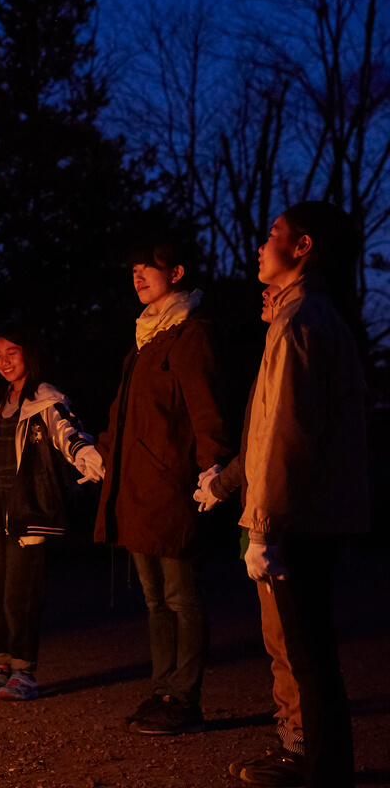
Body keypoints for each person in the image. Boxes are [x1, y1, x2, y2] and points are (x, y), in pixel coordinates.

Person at [203, 202, 368, 788]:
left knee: (308, 654)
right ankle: (322, 762)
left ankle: (321, 767)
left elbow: (283, 435)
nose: (260, 244)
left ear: (301, 247)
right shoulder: (307, 318)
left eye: (273, 234)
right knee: (309, 650)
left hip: (300, 519)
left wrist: (265, 526)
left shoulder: (301, 324)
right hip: (312, 515)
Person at [94, 234, 231, 735]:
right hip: (135, 489)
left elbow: (205, 408)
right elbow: (123, 416)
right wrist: (100, 454)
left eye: (147, 267)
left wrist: (213, 465)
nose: (137, 276)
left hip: (171, 488)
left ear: (176, 273)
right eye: (133, 269)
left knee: (182, 598)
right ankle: (162, 690)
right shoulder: (143, 343)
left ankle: (185, 697)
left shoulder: (190, 334)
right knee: (155, 601)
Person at [0, 326, 104, 702]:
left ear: (30, 354)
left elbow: (67, 433)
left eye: (13, 351)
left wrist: (86, 455)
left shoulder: (45, 399)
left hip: (30, 507)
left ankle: (25, 672)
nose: (5, 360)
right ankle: (1, 667)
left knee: (20, 595)